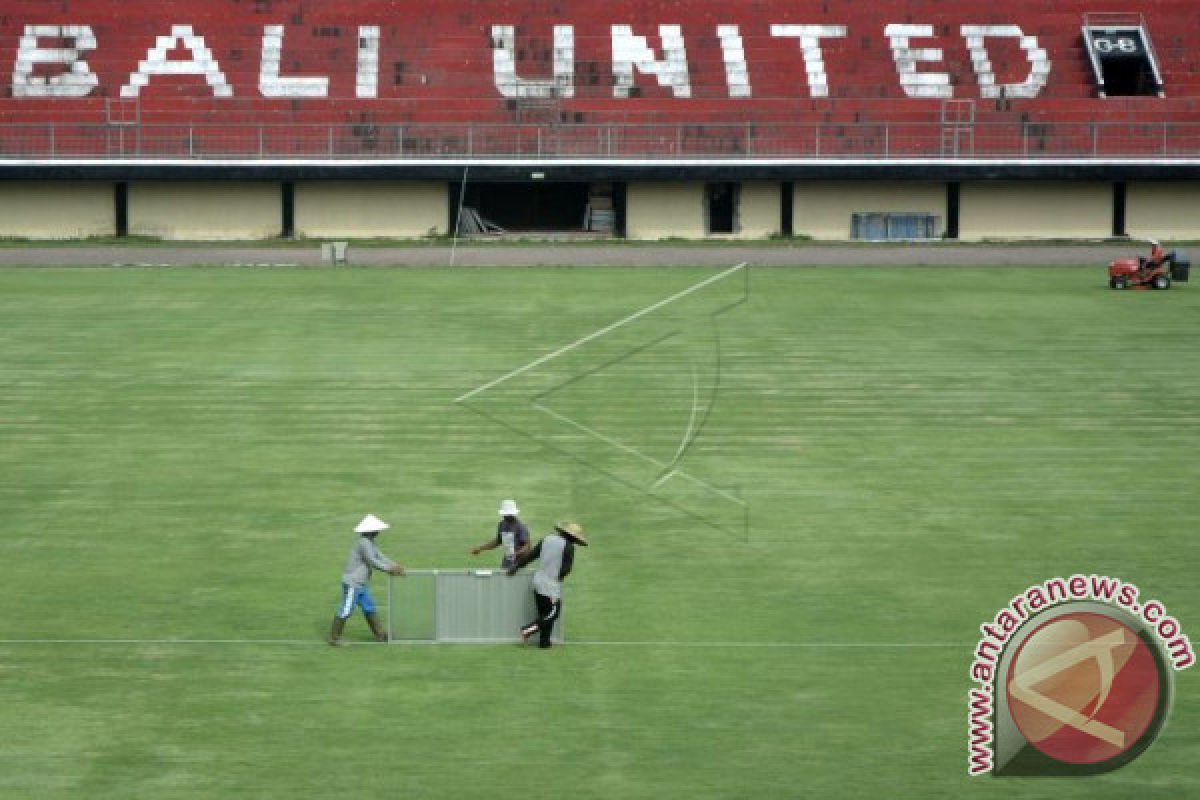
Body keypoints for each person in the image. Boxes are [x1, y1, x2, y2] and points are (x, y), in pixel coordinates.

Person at [506, 521, 588, 649]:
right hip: (551, 585)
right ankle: (527, 630)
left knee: (544, 613)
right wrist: (560, 577)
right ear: (572, 537)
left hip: (538, 581)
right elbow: (566, 570)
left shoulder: (547, 539)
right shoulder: (569, 547)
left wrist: (516, 566)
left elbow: (531, 556)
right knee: (553, 613)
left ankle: (545, 643)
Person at [329, 514, 405, 646]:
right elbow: (372, 560)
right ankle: (334, 638)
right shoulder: (364, 543)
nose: (379, 532)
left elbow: (381, 556)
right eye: (377, 530)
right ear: (371, 531)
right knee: (346, 610)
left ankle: (380, 635)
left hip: (361, 585)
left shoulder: (369, 543)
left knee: (369, 607)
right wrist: (390, 570)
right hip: (353, 583)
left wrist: (395, 565)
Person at [469, 498, 531, 570]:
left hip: (519, 563)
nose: (506, 516)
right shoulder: (502, 525)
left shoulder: (521, 527)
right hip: (507, 561)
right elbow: (498, 541)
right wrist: (480, 548)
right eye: (505, 515)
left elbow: (527, 546)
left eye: (509, 515)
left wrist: (516, 554)